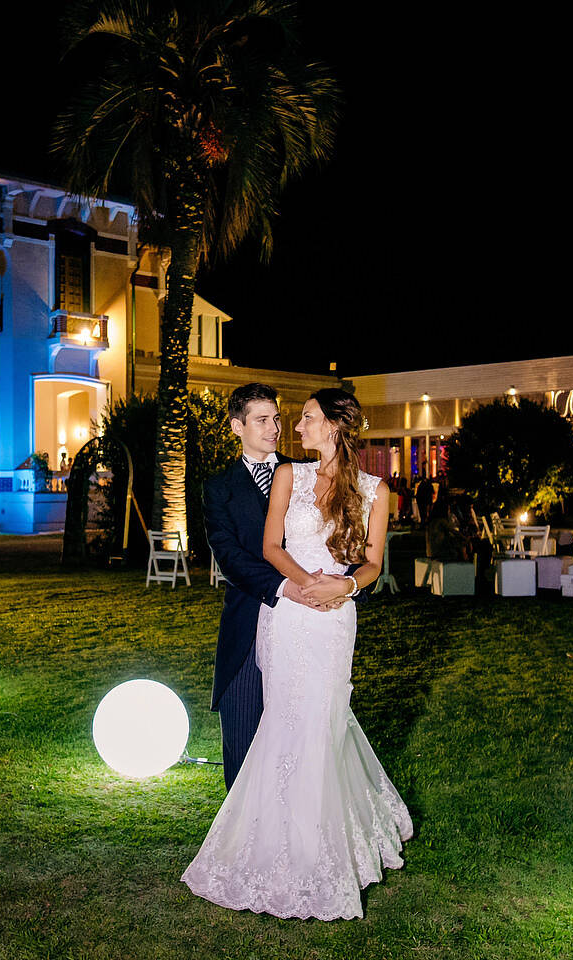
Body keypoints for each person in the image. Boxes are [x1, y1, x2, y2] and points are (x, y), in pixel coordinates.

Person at [183, 387, 413, 921]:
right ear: (239, 426)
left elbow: (373, 562)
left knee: (324, 722)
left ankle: (323, 847)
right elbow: (258, 549)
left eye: (301, 417)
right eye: (270, 419)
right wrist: (301, 584)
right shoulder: (282, 478)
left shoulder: (373, 489)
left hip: (334, 622)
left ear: (333, 426)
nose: (289, 426)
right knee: (283, 726)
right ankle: (267, 844)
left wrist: (345, 588)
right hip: (282, 613)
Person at [197, 383, 317, 792]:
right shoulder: (219, 487)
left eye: (277, 418)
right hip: (249, 619)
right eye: (262, 420)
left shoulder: (306, 475)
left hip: (307, 622)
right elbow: (228, 555)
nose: (274, 428)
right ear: (237, 426)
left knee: (301, 734)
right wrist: (285, 587)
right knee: (244, 732)